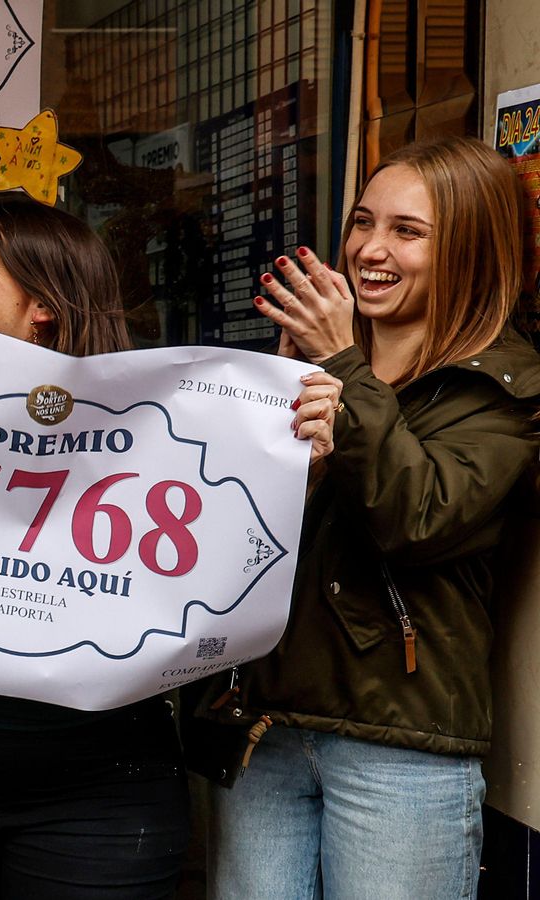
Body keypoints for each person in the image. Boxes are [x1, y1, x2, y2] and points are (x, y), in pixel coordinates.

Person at [0, 193, 335, 899]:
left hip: (101, 794)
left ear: (43, 303)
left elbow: (231, 574)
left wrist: (297, 472)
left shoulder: (162, 426)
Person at [201, 136, 540, 898]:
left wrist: (345, 370)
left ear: (469, 250)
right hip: (268, 728)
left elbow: (417, 518)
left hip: (401, 746)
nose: (370, 250)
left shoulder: (500, 388)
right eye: (362, 222)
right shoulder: (315, 367)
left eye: (407, 232)